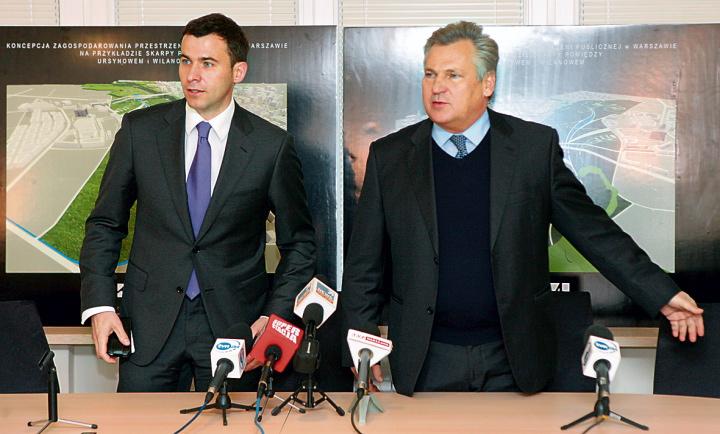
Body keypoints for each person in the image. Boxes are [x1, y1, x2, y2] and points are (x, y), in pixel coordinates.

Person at [341, 21, 704, 396]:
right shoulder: (391, 156)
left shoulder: (533, 149)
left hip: (514, 355)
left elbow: (594, 232)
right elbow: (364, 264)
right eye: (430, 74)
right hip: (425, 356)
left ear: (487, 84)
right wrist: (358, 337)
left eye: (453, 75)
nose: (437, 87)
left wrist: (661, 293)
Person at [79, 13, 316, 392]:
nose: (192, 75)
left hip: (234, 328)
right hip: (149, 326)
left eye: (207, 63)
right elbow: (105, 224)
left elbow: (300, 243)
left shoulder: (270, 147)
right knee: (138, 421)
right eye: (186, 60)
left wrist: (275, 316)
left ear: (238, 72)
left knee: (232, 421)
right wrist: (101, 306)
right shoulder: (141, 132)